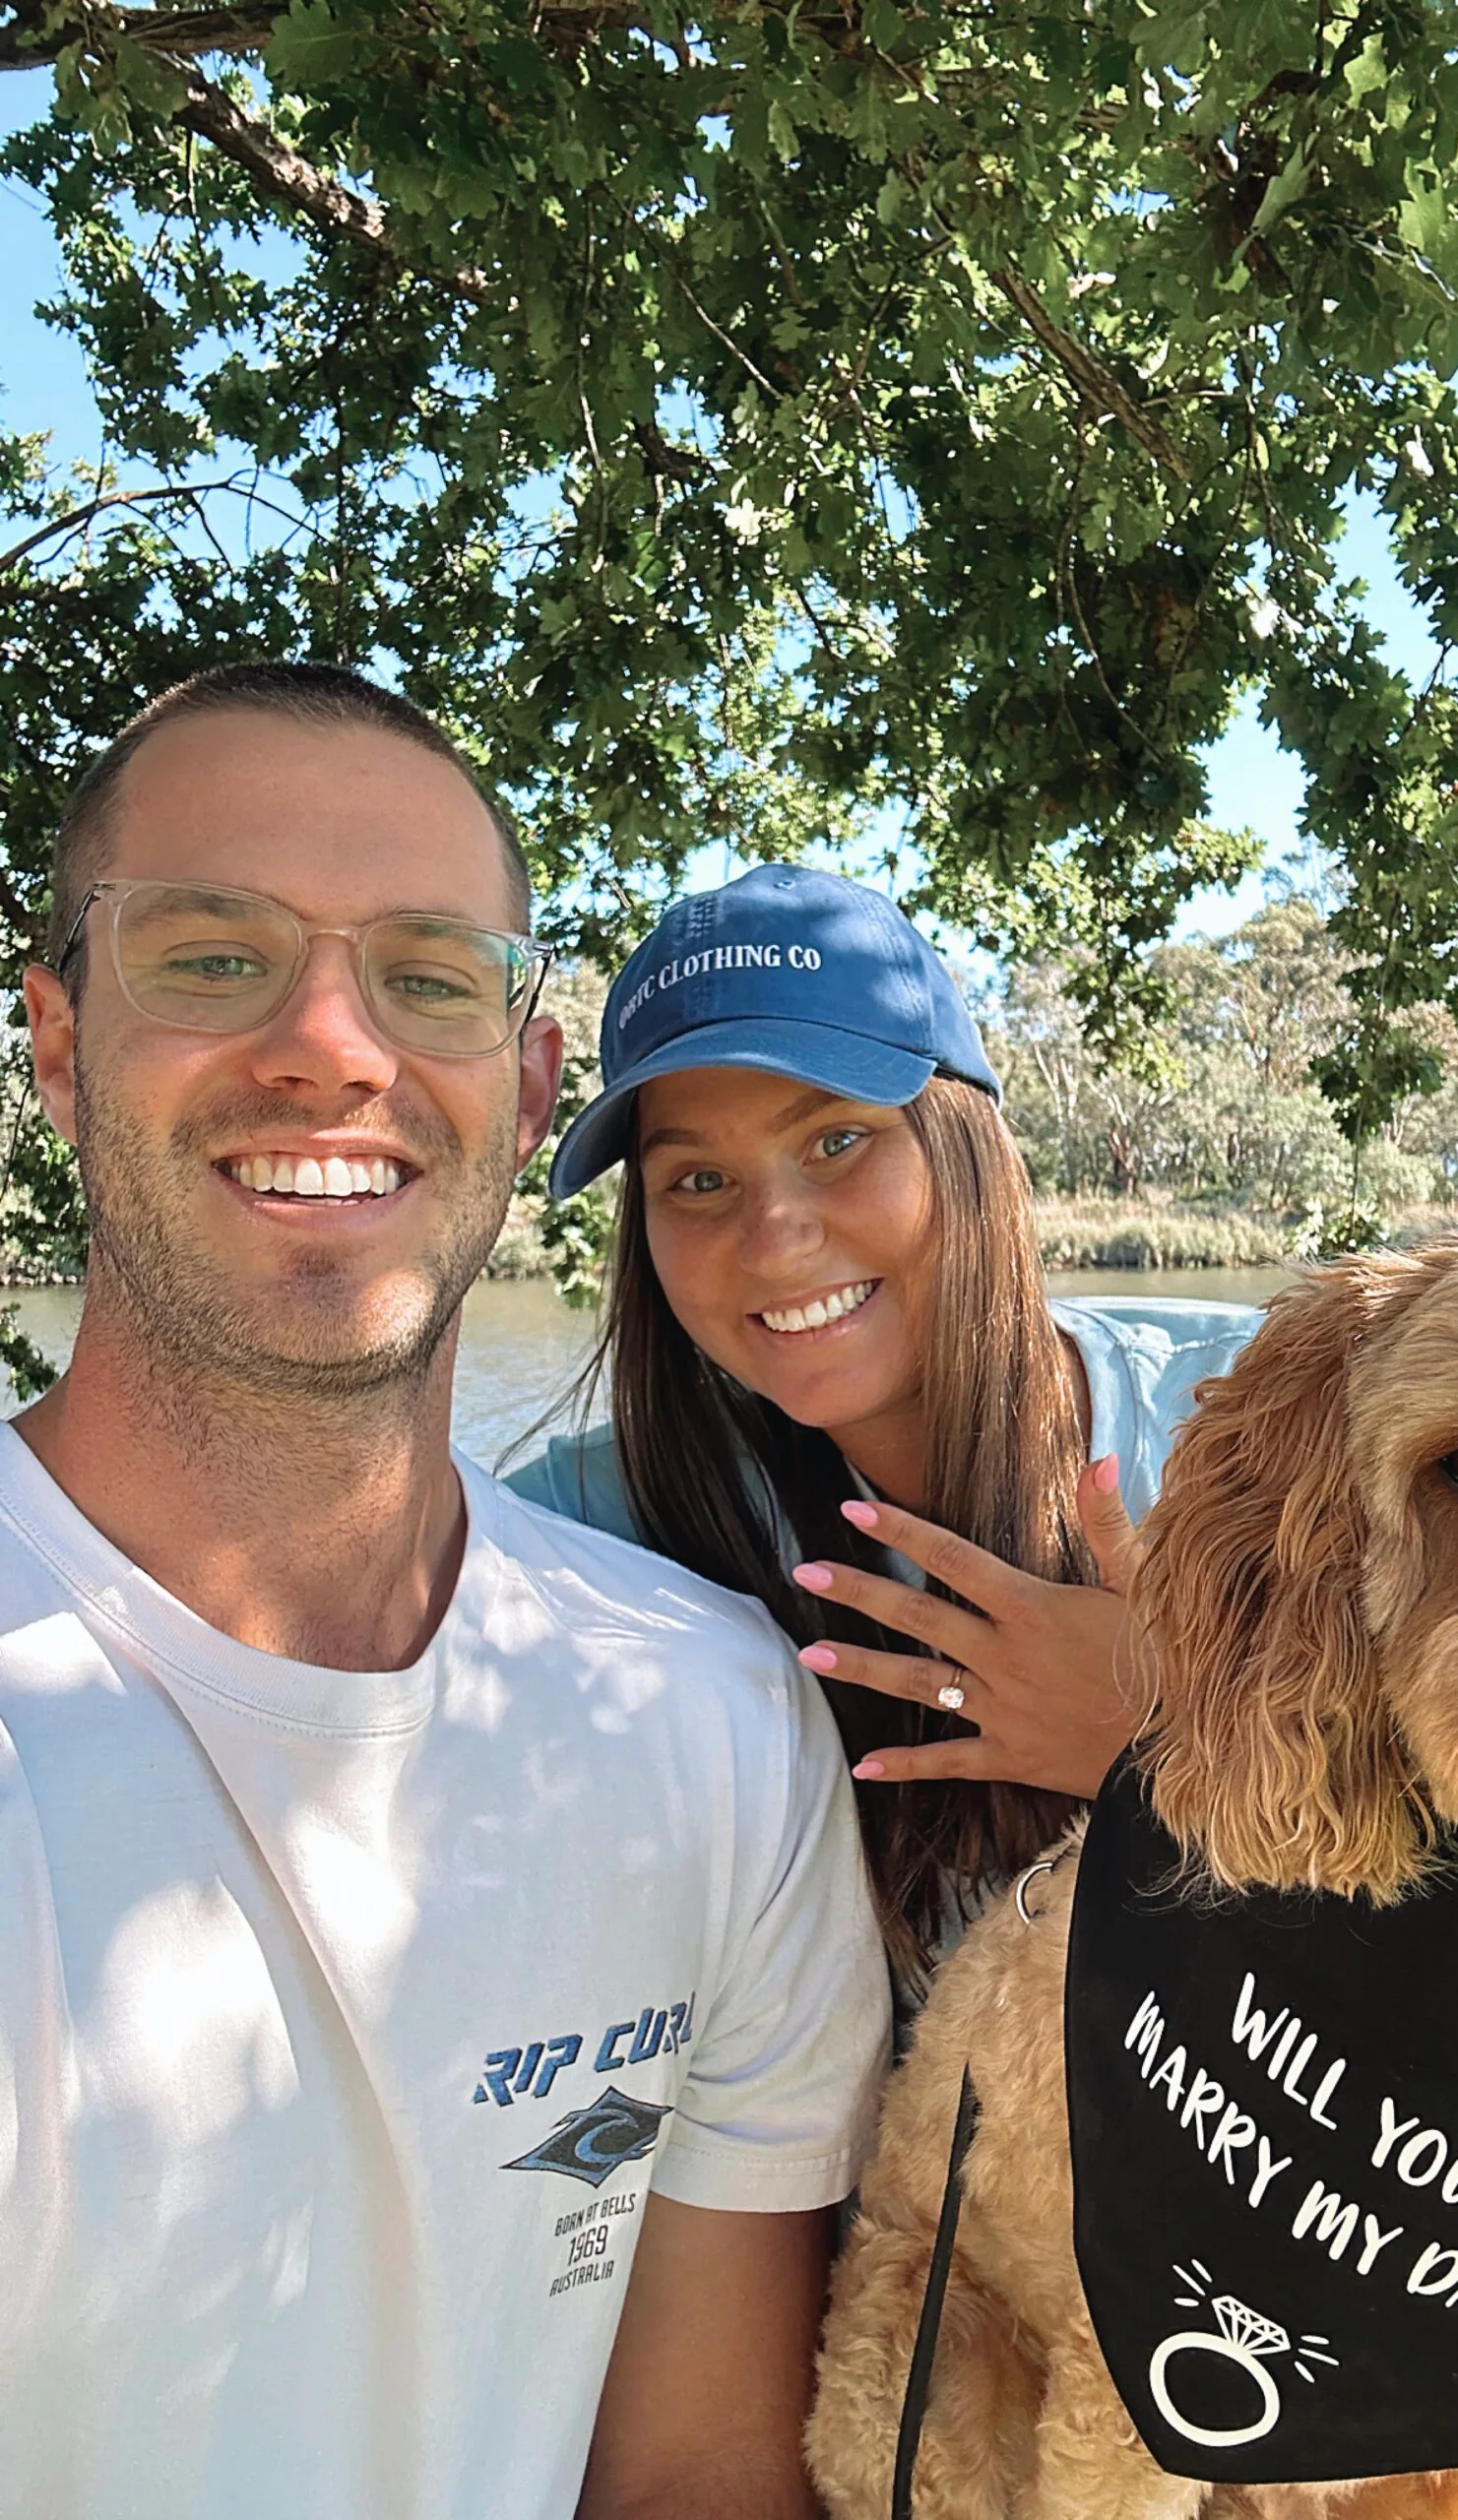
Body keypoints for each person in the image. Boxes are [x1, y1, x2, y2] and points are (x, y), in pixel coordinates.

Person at [513, 862, 1458, 2520]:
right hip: (1113, 2262)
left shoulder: (1251, 1411)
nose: (777, 1229)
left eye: (839, 1140)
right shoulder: (586, 1532)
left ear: (973, 1146)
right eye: (693, 1179)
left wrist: (1162, 1751)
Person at [0, 668, 889, 2520]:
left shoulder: (716, 1717)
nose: (332, 1045)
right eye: (212, 955)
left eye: (428, 976)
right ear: (60, 1048)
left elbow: (699, 2471)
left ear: (531, 1087)